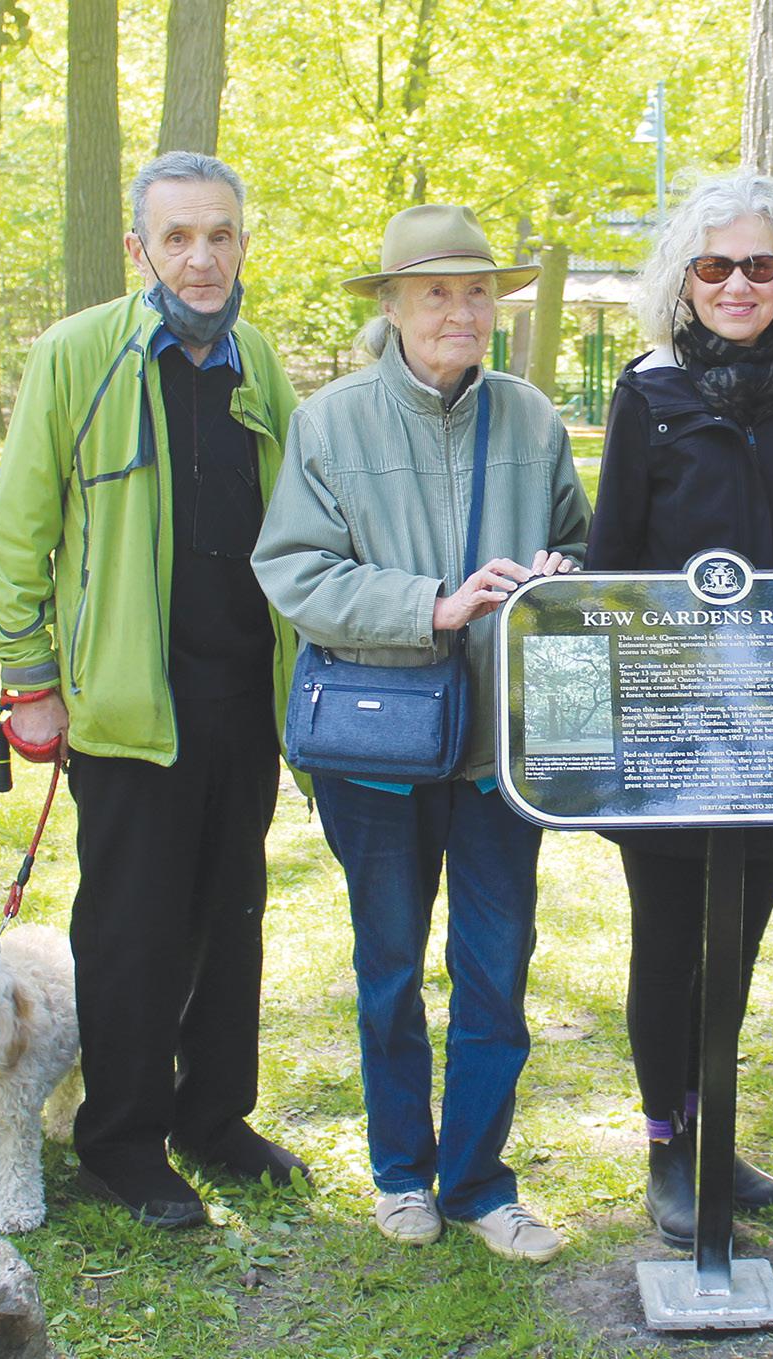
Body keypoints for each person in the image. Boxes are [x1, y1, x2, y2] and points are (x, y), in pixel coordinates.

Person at [252, 204, 592, 1263]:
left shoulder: (531, 419)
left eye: (477, 291)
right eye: (436, 291)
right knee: (390, 968)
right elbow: (293, 572)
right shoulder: (329, 422)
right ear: (393, 306)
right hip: (377, 747)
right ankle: (401, 1173)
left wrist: (561, 574)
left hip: (499, 752)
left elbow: (580, 544)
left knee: (496, 970)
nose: (461, 311)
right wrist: (430, 606)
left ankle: (480, 1182)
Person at [0, 151, 307, 1230]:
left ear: (242, 244)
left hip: (243, 697)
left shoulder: (258, 361)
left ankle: (214, 1118)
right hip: (126, 703)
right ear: (138, 249)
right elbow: (17, 536)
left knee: (232, 914)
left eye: (219, 235)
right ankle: (121, 1140)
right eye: (177, 237)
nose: (200, 257)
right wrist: (30, 680)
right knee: (133, 929)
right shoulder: (77, 355)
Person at [586, 170, 773, 1248]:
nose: (736, 285)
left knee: (735, 941)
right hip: (671, 724)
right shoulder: (647, 395)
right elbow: (610, 562)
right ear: (683, 279)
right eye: (713, 265)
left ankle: (712, 1130)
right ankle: (666, 1142)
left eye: (757, 265)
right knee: (668, 941)